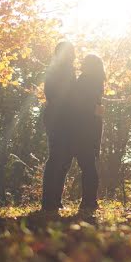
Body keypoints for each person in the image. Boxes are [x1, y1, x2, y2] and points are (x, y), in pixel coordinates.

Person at [40, 41, 75, 211]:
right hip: (57, 118)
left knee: (65, 159)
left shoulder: (68, 69)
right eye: (70, 51)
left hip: (66, 118)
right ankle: (48, 201)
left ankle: (55, 200)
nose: (73, 55)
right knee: (56, 158)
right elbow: (51, 93)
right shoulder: (57, 69)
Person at [70, 53, 105, 213]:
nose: (81, 64)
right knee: (89, 164)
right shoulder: (97, 81)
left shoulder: (85, 80)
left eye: (85, 62)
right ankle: (89, 200)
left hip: (84, 126)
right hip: (93, 126)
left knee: (87, 165)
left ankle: (89, 201)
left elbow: (80, 104)